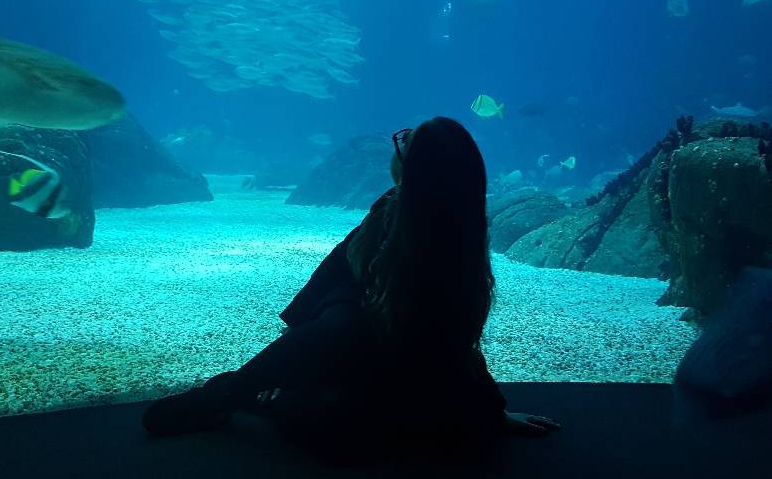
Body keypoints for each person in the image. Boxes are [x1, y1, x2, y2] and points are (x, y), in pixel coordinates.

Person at [143, 117, 559, 461]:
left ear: (419, 169)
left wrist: (492, 414)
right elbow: (335, 270)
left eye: (404, 144)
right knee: (339, 323)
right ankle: (237, 394)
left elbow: (455, 340)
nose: (394, 148)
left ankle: (231, 398)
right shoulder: (392, 208)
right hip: (344, 346)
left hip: (381, 376)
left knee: (326, 399)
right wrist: (293, 341)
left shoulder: (444, 244)